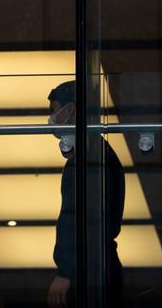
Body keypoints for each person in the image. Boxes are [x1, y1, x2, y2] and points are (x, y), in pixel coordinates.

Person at [46, 81, 125, 308]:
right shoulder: (98, 152)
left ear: (70, 109)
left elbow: (78, 215)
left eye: (54, 110)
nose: (51, 118)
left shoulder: (89, 158)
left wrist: (65, 271)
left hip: (88, 268)